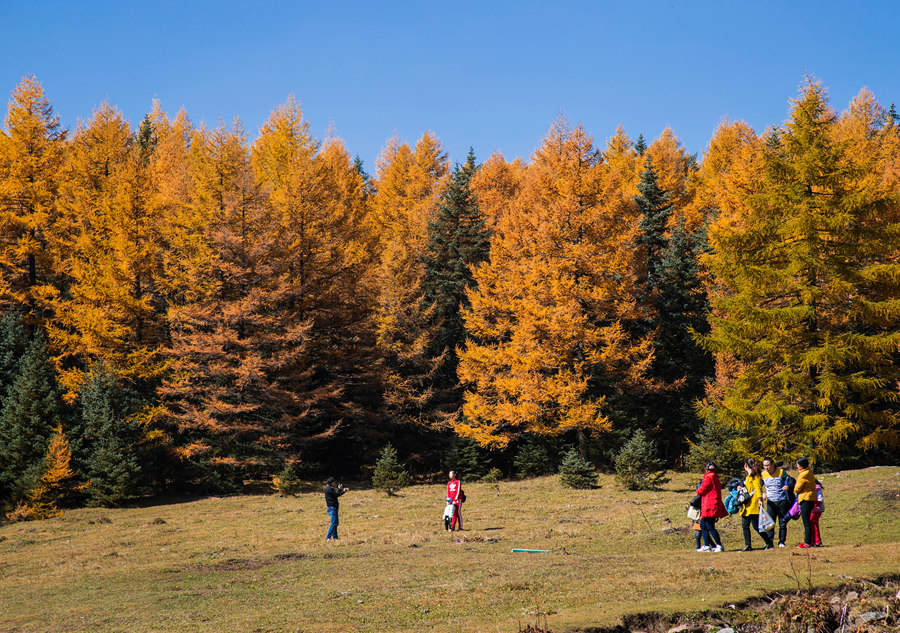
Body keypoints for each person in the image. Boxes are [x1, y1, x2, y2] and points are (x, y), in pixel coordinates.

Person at [739, 458, 775, 551]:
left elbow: (758, 489)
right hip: (746, 505)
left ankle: (769, 543)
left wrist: (759, 500)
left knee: (756, 526)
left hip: (753, 504)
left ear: (746, 466)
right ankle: (748, 545)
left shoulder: (756, 477)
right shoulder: (748, 477)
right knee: (745, 525)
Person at [695, 461, 727, 552]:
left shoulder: (708, 477)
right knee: (703, 525)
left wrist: (698, 489)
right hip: (713, 503)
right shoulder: (715, 477)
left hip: (709, 504)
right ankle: (707, 545)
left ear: (706, 468)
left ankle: (719, 545)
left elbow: (701, 490)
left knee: (709, 526)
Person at [761, 458, 791, 547]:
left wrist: (788, 486)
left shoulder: (781, 472)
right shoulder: (763, 474)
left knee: (782, 522)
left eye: (768, 465)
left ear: (773, 464)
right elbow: (758, 486)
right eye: (764, 465)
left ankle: (781, 541)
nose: (766, 467)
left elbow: (790, 480)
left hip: (782, 500)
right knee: (770, 523)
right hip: (771, 501)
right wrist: (762, 493)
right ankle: (770, 543)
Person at [794, 457, 816, 548]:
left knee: (806, 522)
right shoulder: (809, 472)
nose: (797, 466)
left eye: (798, 464)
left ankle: (807, 542)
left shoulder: (803, 474)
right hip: (811, 498)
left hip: (805, 498)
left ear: (801, 466)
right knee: (808, 521)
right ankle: (810, 540)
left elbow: (797, 488)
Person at [324, 477, 348, 541]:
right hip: (332, 508)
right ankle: (328, 537)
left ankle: (335, 537)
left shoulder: (329, 488)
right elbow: (336, 495)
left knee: (335, 523)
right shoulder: (329, 489)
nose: (335, 483)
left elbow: (336, 495)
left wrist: (342, 490)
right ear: (331, 483)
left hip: (333, 507)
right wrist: (341, 490)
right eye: (334, 482)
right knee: (334, 523)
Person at [811, 479, 825, 547]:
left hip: (816, 509)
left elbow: (819, 499)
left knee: (814, 524)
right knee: (812, 524)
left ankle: (817, 541)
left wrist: (815, 506)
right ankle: (813, 540)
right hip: (813, 509)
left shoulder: (816, 488)